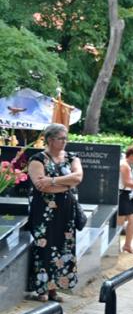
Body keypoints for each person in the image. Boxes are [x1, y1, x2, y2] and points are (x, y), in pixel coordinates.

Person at [26, 123, 83, 302]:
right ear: (50, 140)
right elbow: (41, 186)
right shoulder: (37, 159)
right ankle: (42, 290)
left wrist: (52, 180)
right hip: (44, 212)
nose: (65, 141)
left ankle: (54, 290)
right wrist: (66, 184)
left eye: (66, 138)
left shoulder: (72, 158)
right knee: (44, 247)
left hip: (66, 211)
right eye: (61, 138)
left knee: (63, 247)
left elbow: (78, 177)